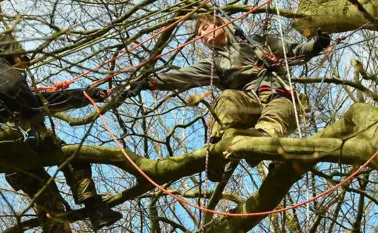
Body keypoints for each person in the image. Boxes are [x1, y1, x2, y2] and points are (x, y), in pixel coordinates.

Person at [0, 34, 122, 233]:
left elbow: (42, 99)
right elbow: (21, 94)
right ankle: (94, 207)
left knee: (45, 192)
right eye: (20, 56)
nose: (24, 62)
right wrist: (32, 105)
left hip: (3, 145)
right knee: (74, 153)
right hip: (4, 133)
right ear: (8, 52)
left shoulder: (6, 81)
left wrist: (84, 95)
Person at [117, 14, 331, 182]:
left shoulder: (256, 42)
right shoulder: (214, 65)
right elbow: (181, 76)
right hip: (248, 101)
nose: (203, 34)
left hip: (278, 93)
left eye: (205, 27)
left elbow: (292, 50)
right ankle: (218, 150)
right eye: (200, 33)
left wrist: (317, 44)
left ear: (219, 23)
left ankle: (259, 141)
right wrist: (148, 82)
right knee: (226, 98)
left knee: (282, 111)